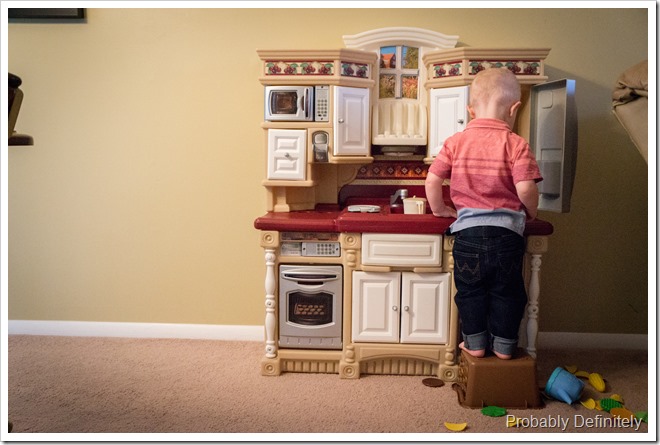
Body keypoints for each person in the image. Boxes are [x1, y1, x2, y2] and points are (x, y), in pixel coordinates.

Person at [425, 67, 542, 360]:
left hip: (468, 234)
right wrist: (531, 211)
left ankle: (475, 343)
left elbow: (432, 181)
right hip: (507, 235)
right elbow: (526, 188)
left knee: (470, 292)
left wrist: (440, 209)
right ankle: (504, 346)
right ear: (514, 109)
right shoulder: (516, 144)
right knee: (507, 292)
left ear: (470, 110)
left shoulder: (455, 142)